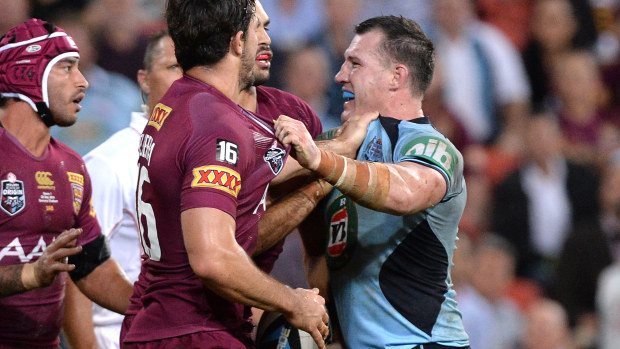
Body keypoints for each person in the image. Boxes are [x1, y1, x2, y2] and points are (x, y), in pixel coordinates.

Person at [120, 1, 330, 348]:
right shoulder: (216, 122)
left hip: (159, 324)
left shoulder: (176, 104)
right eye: (258, 28)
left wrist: (329, 158)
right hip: (195, 331)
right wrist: (294, 302)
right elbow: (213, 258)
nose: (266, 38)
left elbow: (252, 189)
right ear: (236, 41)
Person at [275, 15, 470, 348]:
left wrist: (323, 161)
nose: (339, 75)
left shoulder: (432, 146)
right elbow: (265, 188)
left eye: (354, 64)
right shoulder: (338, 145)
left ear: (396, 76)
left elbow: (407, 192)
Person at [0, 18, 133, 347]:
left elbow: (92, 267)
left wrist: (158, 308)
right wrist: (32, 274)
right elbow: (40, 270)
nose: (84, 81)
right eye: (67, 68)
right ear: (26, 74)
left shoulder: (71, 166)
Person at [61, 29, 182, 349]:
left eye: (194, 69)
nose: (186, 80)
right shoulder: (109, 164)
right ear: (143, 80)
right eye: (173, 67)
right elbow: (75, 274)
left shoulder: (203, 161)